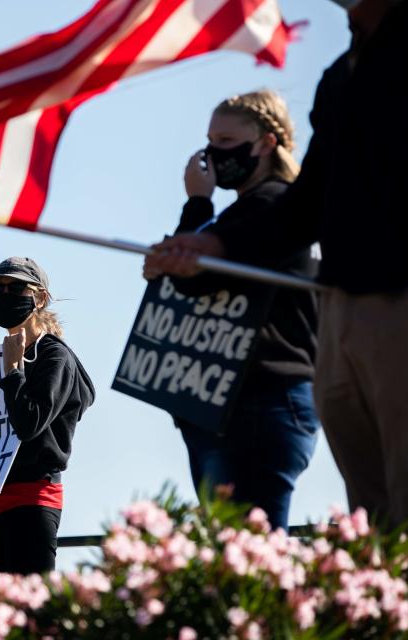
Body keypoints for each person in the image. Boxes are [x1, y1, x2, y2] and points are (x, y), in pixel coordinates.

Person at [145, 0, 408, 530]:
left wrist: (207, 231)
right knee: (376, 515)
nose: (216, 153)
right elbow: (309, 203)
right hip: (343, 310)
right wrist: (213, 244)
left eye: (226, 142)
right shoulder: (342, 73)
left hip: (402, 304)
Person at [143, 90, 320, 531]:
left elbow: (194, 275)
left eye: (224, 140)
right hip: (228, 403)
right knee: (230, 551)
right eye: (209, 139)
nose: (211, 153)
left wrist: (198, 203)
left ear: (266, 143)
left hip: (262, 400)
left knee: (247, 555)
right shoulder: (243, 211)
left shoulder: (275, 204)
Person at [0, 257, 95, 575]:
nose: (4, 295)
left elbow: (30, 422)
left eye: (16, 287)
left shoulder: (55, 356)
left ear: (40, 297)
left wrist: (13, 371)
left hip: (33, 500)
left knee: (30, 614)